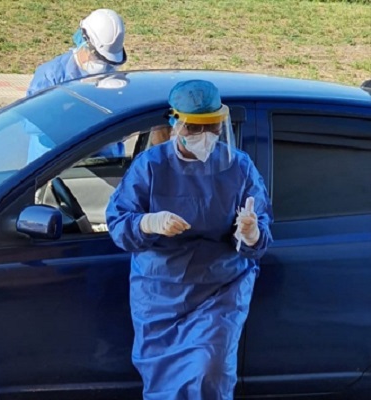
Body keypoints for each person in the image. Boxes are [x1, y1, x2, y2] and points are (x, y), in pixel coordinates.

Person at [106, 80, 273, 400]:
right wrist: (148, 223)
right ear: (176, 124)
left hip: (220, 289)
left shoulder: (239, 167)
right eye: (196, 127)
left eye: (212, 127)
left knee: (209, 369)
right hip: (160, 292)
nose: (205, 136)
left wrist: (251, 233)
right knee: (163, 378)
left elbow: (260, 231)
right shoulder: (151, 167)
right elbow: (119, 223)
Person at [25, 9, 127, 162]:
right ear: (83, 42)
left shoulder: (112, 78)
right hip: (55, 162)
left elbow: (123, 125)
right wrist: (65, 109)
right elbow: (32, 125)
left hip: (102, 164)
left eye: (106, 61)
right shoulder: (52, 75)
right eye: (97, 57)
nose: (102, 66)